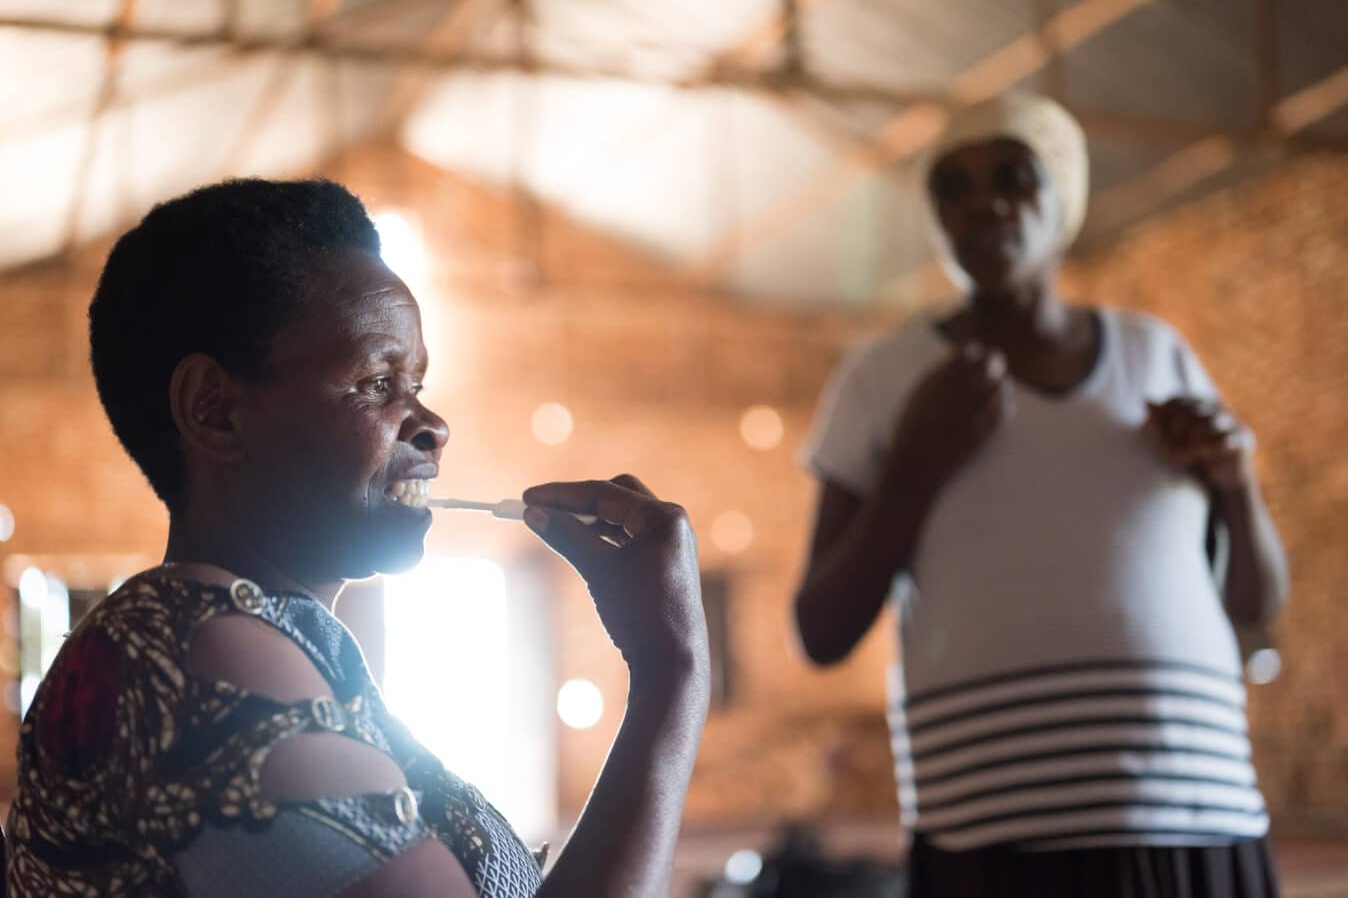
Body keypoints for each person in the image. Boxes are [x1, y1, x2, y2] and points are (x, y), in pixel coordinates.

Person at [6, 179, 710, 897]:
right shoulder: (194, 652)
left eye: (418, 383)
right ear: (214, 411)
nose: (433, 426)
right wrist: (669, 671)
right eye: (378, 382)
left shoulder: (277, 653)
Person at [794, 93, 1289, 897]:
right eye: (950, 187)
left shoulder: (1155, 356)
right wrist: (916, 467)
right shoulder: (884, 380)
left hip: (1196, 813)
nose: (979, 202)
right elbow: (819, 631)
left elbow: (1254, 605)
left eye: (1014, 177)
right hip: (993, 836)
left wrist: (1235, 488)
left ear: (1063, 199)